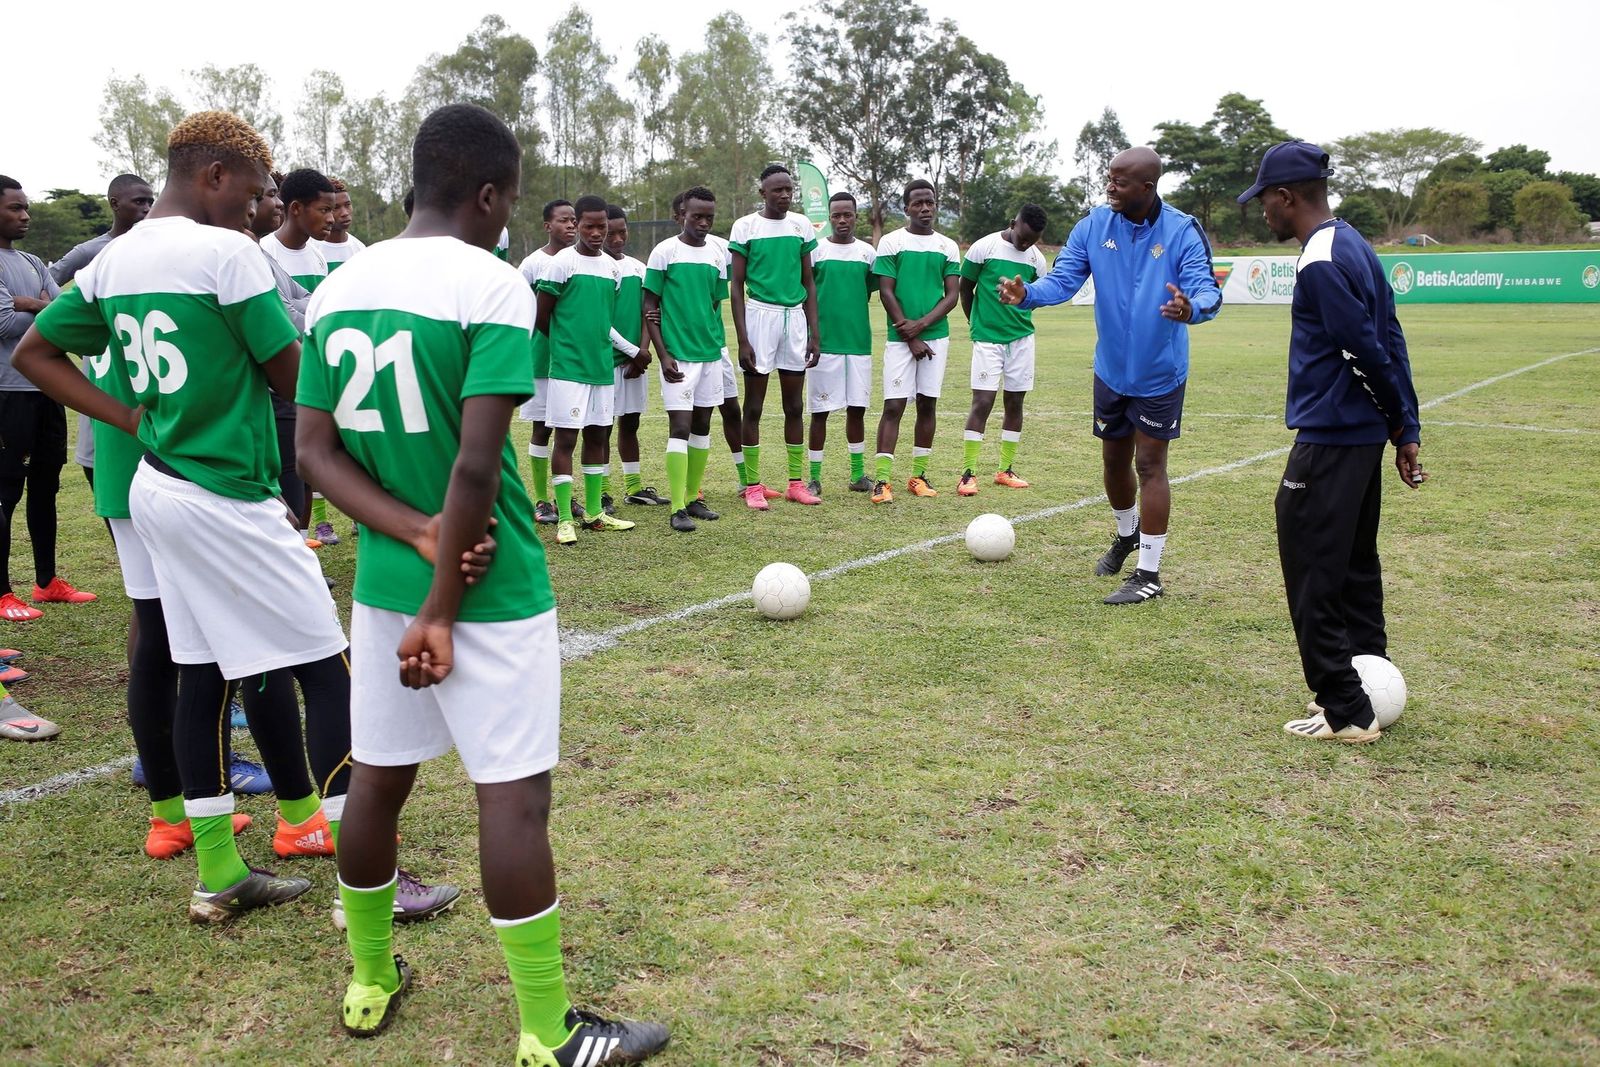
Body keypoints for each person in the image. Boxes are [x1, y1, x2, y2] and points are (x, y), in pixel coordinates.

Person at [15, 111, 456, 923]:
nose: (254, 212)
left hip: (158, 483)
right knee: (327, 668)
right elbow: (296, 379)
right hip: (226, 491)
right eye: (251, 194)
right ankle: (373, 878)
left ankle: (219, 871)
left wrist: (129, 417)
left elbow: (34, 353)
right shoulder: (225, 254)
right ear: (213, 175)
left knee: (204, 672)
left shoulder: (114, 260)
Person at [297, 102, 669, 1063]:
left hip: (386, 580)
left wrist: (413, 539)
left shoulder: (340, 286)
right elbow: (473, 466)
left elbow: (314, 453)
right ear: (493, 195)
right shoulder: (491, 284)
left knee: (378, 780)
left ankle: (370, 977)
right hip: (484, 584)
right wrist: (443, 603)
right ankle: (547, 1033)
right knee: (512, 797)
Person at [1237, 140, 1425, 743]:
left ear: (1286, 197)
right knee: (1353, 563)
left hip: (1332, 434)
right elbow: (1392, 339)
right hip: (1361, 437)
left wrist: (1399, 421)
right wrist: (1404, 426)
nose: (1263, 210)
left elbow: (1365, 349)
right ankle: (1369, 677)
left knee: (1314, 562)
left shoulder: (1320, 259)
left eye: (1265, 200)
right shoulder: (1354, 244)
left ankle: (1346, 708)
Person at [999, 146, 1222, 604]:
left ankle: (1149, 574)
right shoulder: (1094, 225)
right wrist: (1028, 294)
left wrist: (1192, 308)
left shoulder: (1181, 230)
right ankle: (1126, 534)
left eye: (1119, 181)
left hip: (1159, 372)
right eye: (1109, 178)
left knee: (1150, 465)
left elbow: (1207, 289)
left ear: (1147, 186)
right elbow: (1064, 280)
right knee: (1113, 461)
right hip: (1111, 370)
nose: (1109, 188)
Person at [1, 175, 95, 621]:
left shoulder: (34, 262)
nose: (25, 216)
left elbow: (68, 319)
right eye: (15, 208)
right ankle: (3, 593)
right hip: (8, 394)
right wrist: (45, 310)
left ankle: (46, 582)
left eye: (26, 208)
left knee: (46, 487)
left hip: (46, 390)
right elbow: (4, 324)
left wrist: (32, 304)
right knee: (6, 493)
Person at [535, 195, 638, 545]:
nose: (596, 233)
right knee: (566, 439)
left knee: (597, 437)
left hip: (601, 368)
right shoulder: (561, 263)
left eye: (601, 226)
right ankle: (565, 518)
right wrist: (567, 347)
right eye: (589, 226)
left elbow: (601, 320)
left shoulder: (612, 268)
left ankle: (594, 513)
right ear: (576, 224)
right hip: (568, 369)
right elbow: (542, 316)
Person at [51, 175, 155, 490]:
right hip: (104, 363)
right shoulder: (90, 251)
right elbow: (48, 282)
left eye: (150, 202)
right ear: (114, 204)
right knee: (99, 443)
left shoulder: (156, 247)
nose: (146, 208)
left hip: (146, 356)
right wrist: (38, 304)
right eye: (139, 201)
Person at [729, 164, 821, 509]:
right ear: (762, 193)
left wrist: (814, 333)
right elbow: (736, 286)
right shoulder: (745, 227)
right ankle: (753, 486)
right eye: (777, 190)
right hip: (760, 317)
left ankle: (796, 483)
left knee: (794, 406)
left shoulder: (800, 225)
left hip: (794, 319)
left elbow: (809, 282)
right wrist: (743, 339)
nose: (784, 195)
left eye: (788, 189)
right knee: (753, 406)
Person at [869, 179, 961, 504]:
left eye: (930, 202)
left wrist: (920, 327)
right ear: (906, 207)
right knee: (894, 405)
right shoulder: (891, 242)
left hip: (935, 338)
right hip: (899, 339)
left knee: (927, 404)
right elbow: (886, 291)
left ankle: (918, 476)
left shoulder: (947, 246)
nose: (925, 208)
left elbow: (952, 295)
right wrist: (909, 336)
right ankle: (882, 481)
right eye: (918, 203)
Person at [644, 187, 727, 533]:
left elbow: (714, 303)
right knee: (680, 427)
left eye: (709, 217)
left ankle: (694, 497)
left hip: (710, 355)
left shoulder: (717, 255)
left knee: (702, 427)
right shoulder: (665, 252)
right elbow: (649, 305)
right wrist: (663, 354)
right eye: (697, 216)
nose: (704, 222)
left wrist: (714, 344)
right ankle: (677, 507)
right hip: (678, 357)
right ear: (682, 215)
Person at [956, 205, 1049, 496]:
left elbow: (1035, 297)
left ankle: (1005, 470)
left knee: (1015, 402)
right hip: (987, 338)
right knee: (982, 401)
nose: (1026, 244)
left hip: (1022, 339)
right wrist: (974, 323)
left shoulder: (1037, 260)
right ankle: (968, 473)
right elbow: (965, 288)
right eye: (1023, 238)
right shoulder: (984, 248)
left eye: (1032, 241)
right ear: (1012, 224)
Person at [805, 191, 877, 495]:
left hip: (858, 343)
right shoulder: (816, 252)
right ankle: (814, 477)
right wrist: (812, 335)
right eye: (836, 215)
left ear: (856, 217)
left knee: (856, 409)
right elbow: (807, 293)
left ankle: (858, 475)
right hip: (824, 344)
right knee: (819, 411)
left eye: (848, 214)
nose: (842, 220)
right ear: (829, 218)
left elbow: (868, 291)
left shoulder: (867, 253)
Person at [603, 204, 668, 508]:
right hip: (605, 361)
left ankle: (634, 488)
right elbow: (599, 321)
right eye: (610, 233)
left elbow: (648, 313)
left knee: (630, 424)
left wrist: (642, 352)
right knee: (600, 429)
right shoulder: (596, 267)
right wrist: (633, 352)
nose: (617, 239)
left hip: (635, 363)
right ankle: (602, 492)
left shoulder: (639, 268)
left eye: (622, 231)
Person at [519, 200, 578, 524]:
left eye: (573, 220)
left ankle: (564, 496)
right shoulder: (532, 264)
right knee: (542, 428)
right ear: (547, 226)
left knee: (569, 430)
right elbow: (520, 309)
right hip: (542, 359)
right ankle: (541, 500)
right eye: (563, 220)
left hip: (574, 362)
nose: (570, 225)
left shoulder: (581, 260)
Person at [262, 167, 336, 293]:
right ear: (296, 208)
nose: (331, 219)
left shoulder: (319, 258)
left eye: (332, 211)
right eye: (324, 210)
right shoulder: (265, 252)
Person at [318, 177, 366, 272]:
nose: (345, 213)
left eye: (347, 205)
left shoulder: (360, 249)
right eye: (336, 207)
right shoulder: (312, 249)